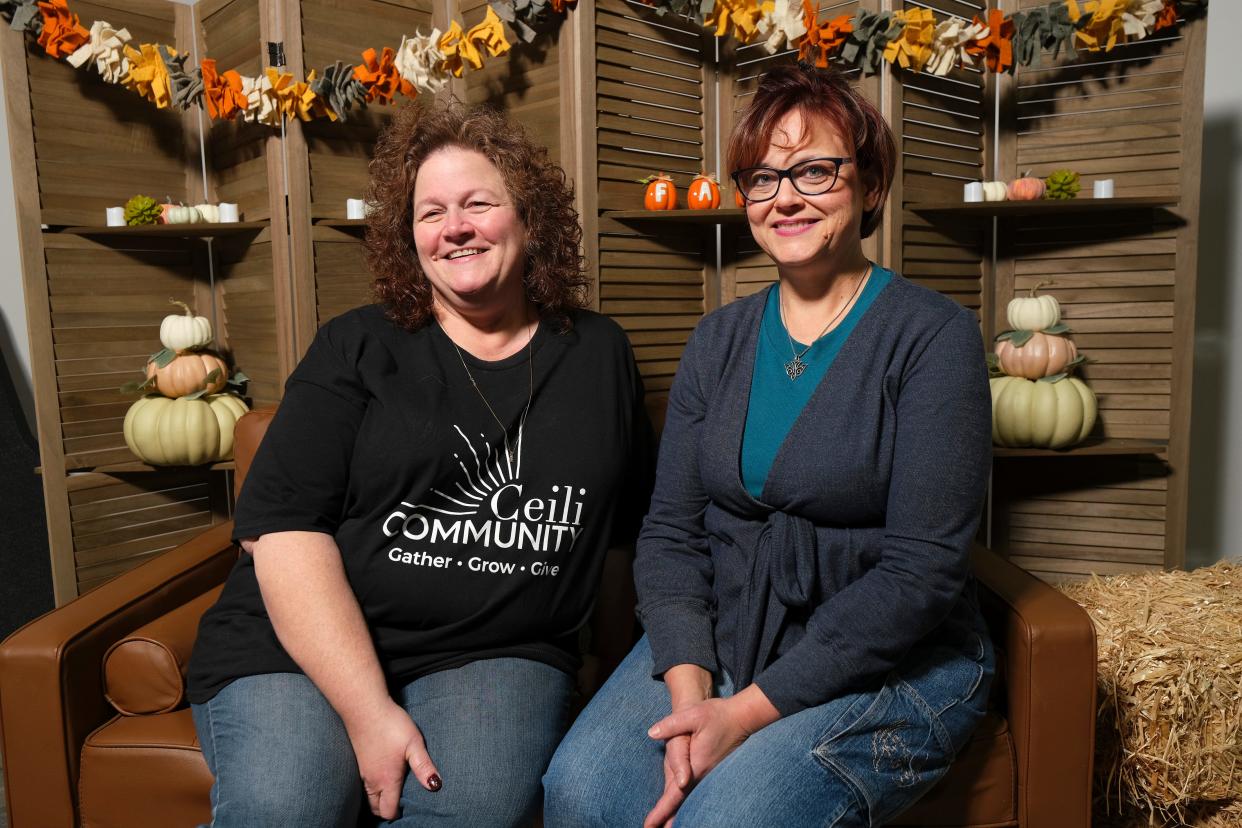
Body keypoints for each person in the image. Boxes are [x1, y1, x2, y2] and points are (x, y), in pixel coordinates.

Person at [543, 62, 994, 828]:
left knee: (726, 819)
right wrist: (691, 692)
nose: (784, 197)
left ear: (871, 183)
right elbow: (671, 534)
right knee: (578, 792)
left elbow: (922, 574)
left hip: (890, 656)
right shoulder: (717, 339)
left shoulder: (933, 337)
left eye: (814, 170)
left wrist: (745, 713)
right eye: (761, 177)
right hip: (726, 632)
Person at [186, 101, 652, 827]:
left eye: (477, 204)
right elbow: (282, 532)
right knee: (288, 806)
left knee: (472, 812)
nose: (454, 227)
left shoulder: (599, 354)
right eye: (431, 212)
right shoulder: (356, 346)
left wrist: (611, 675)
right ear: (411, 238)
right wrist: (370, 712)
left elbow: (622, 537)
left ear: (530, 220)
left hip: (497, 652)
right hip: (300, 649)